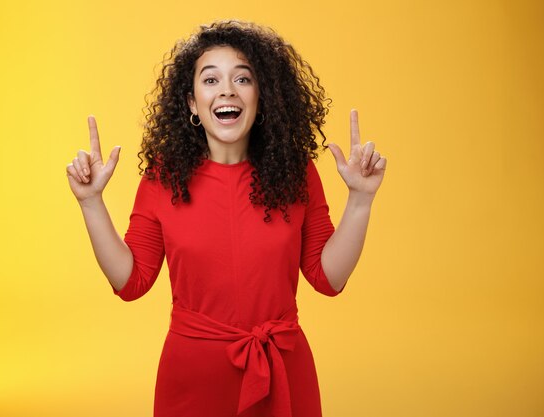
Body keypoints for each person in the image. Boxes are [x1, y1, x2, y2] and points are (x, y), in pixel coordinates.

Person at [66, 20, 386, 417]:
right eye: (211, 79)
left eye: (243, 79)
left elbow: (328, 278)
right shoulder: (163, 179)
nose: (227, 90)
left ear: (262, 97)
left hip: (283, 369)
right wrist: (91, 202)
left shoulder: (296, 172)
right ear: (191, 103)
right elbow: (131, 282)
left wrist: (360, 200)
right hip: (192, 379)